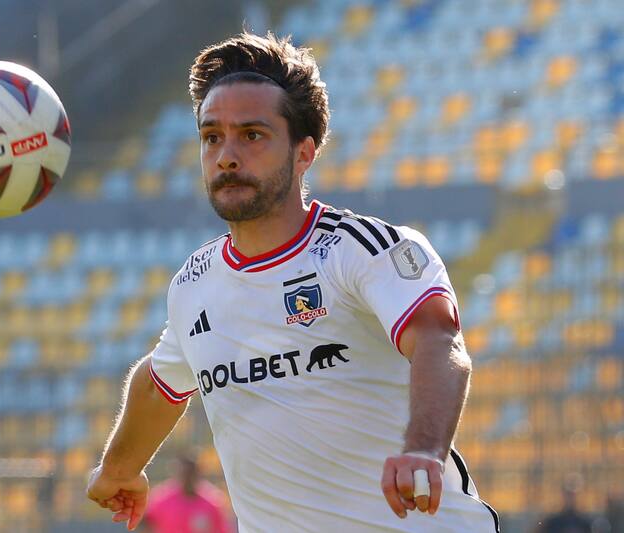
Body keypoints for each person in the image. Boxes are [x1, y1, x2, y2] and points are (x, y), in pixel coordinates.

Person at [86, 31, 499, 532]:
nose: (227, 156)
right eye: (212, 136)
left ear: (304, 153)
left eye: (252, 135)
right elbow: (159, 383)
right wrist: (118, 469)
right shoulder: (194, 283)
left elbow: (439, 340)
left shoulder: (361, 249)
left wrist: (423, 450)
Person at [142, 452, 234, 533]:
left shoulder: (213, 501)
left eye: (190, 474)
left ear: (197, 474)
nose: (187, 478)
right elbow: (145, 522)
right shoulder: (161, 498)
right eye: (184, 473)